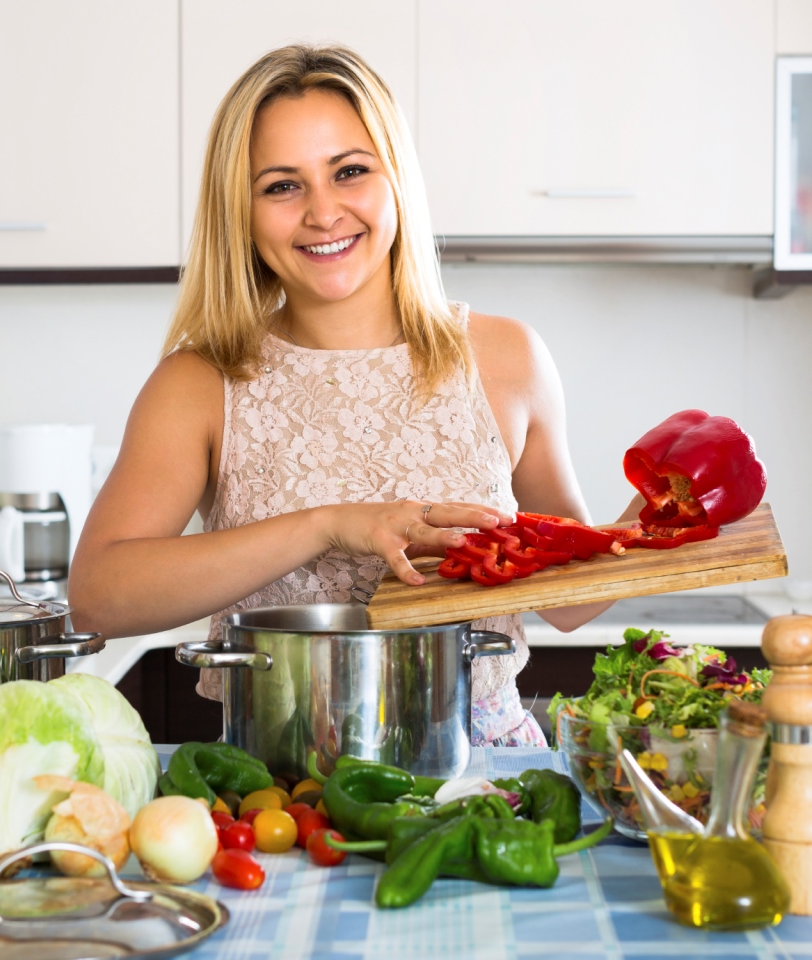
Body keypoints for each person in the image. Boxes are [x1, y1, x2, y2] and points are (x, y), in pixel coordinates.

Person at [68, 43, 637, 747]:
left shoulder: (507, 357)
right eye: (282, 185)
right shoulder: (200, 383)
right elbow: (98, 597)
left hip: (485, 780)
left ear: (396, 179)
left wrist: (662, 520)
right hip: (280, 790)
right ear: (238, 212)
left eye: (350, 171)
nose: (323, 211)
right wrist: (325, 524)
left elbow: (572, 604)